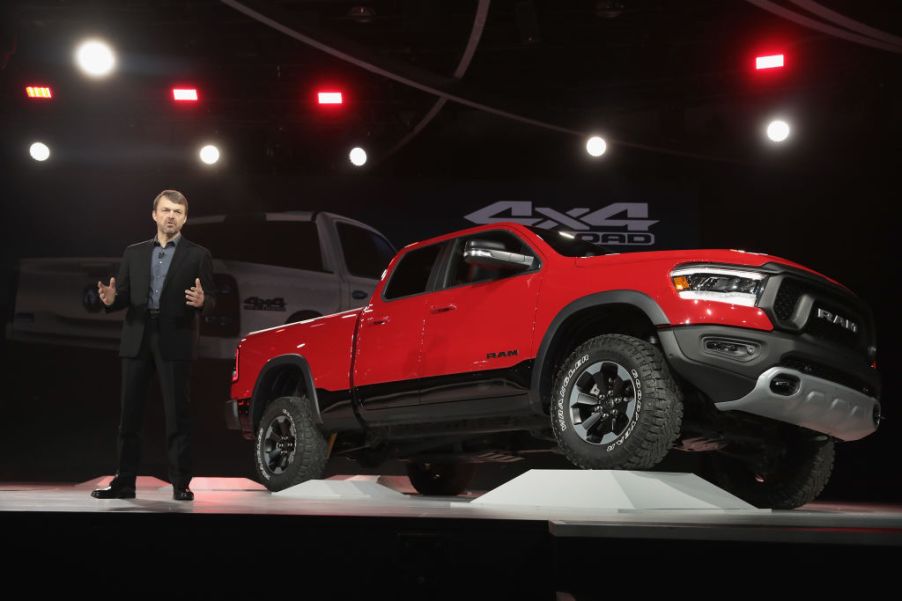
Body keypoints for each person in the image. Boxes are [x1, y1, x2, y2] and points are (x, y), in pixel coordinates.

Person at [91, 189, 215, 501]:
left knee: (177, 415)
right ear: (154, 215)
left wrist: (204, 302)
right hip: (137, 335)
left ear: (185, 218)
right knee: (129, 415)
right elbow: (122, 295)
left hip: (175, 337)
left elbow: (211, 299)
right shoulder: (133, 252)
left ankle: (181, 483)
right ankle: (124, 482)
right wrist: (110, 300)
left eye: (177, 211)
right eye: (165, 210)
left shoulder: (198, 255)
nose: (171, 215)